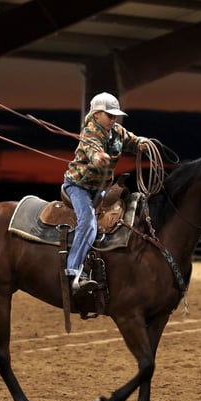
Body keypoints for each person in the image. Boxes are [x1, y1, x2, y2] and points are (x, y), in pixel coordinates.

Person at [63, 92, 149, 294]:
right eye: (109, 115)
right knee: (88, 222)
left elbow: (131, 141)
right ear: (96, 114)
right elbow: (92, 148)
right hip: (79, 187)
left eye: (115, 116)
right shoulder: (90, 132)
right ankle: (73, 272)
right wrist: (97, 157)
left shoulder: (117, 131)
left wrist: (141, 143)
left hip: (100, 189)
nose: (113, 119)